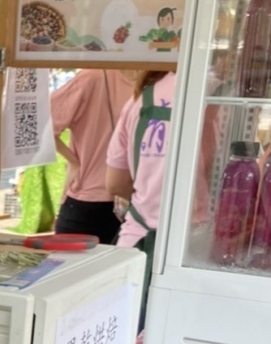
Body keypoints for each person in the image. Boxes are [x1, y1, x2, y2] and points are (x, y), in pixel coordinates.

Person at [106, 69, 215, 318]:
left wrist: (149, 198)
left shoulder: (141, 98)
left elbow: (114, 183)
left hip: (134, 250)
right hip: (195, 254)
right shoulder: (220, 95)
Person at [51, 68, 134, 243]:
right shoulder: (95, 77)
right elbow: (40, 124)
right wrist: (74, 161)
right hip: (90, 201)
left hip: (141, 206)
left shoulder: (163, 81)